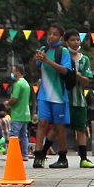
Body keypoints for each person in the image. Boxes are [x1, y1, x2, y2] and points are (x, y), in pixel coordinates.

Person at [32, 22, 73, 169]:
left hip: (58, 95)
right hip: (43, 94)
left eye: (55, 34)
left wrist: (47, 60)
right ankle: (38, 155)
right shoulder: (43, 50)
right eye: (49, 33)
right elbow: (34, 68)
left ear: (61, 37)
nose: (51, 36)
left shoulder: (63, 52)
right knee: (42, 123)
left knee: (59, 126)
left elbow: (65, 70)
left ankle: (63, 156)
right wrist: (36, 59)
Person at [63, 30, 94, 168]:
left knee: (81, 129)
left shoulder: (84, 60)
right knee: (57, 128)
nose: (76, 42)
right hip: (63, 99)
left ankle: (83, 158)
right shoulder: (62, 57)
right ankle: (45, 154)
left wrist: (74, 74)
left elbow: (86, 80)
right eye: (72, 40)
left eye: (78, 39)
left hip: (79, 100)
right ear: (66, 42)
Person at [6, 70, 33, 159]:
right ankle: (24, 154)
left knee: (14, 135)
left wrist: (8, 103)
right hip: (26, 113)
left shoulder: (18, 84)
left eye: (13, 71)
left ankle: (12, 155)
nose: (12, 73)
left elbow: (14, 98)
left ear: (18, 72)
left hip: (17, 113)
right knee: (24, 135)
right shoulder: (26, 83)